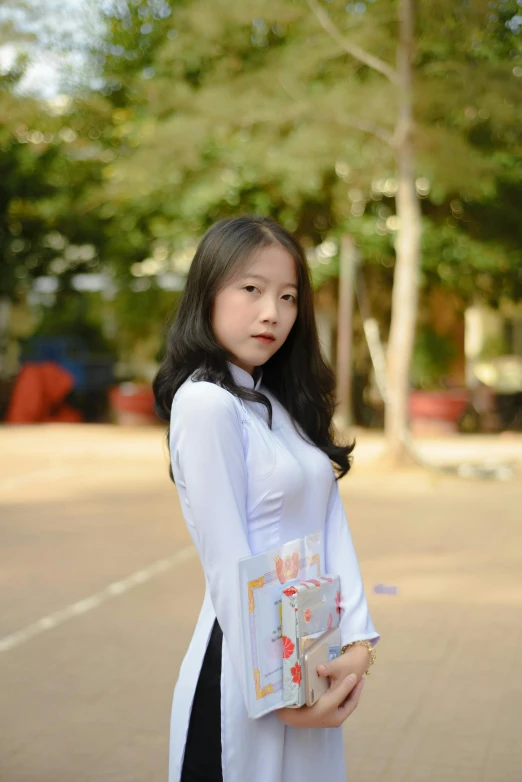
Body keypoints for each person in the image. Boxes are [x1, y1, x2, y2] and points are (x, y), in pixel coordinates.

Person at [153, 215, 380, 782]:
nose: (271, 313)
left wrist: (357, 642)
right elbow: (230, 563)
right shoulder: (206, 405)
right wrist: (279, 695)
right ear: (207, 292)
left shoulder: (278, 405)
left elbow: (331, 525)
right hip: (245, 676)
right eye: (250, 289)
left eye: (287, 296)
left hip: (307, 662)